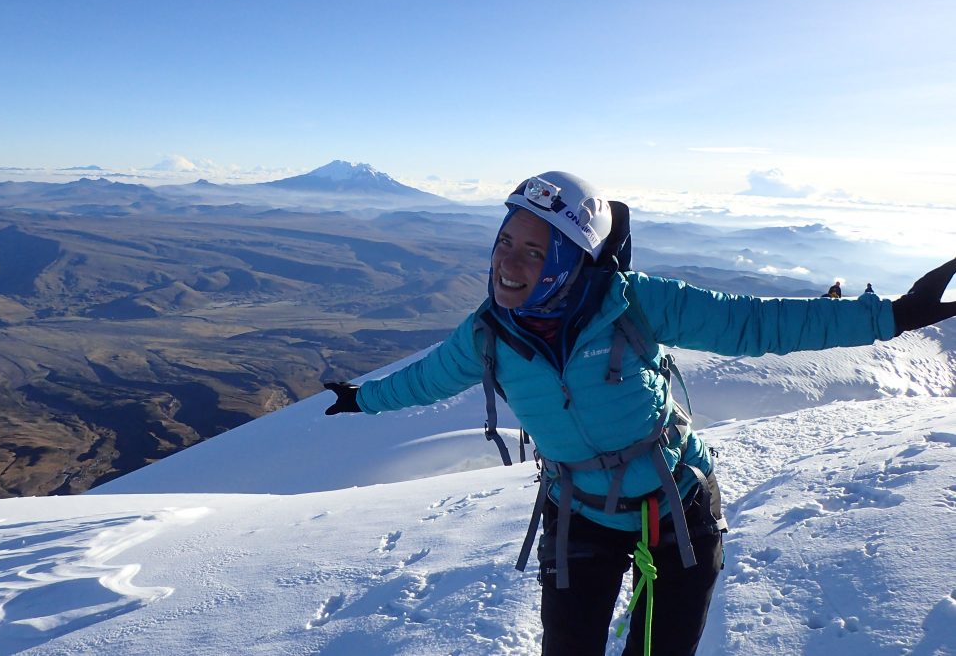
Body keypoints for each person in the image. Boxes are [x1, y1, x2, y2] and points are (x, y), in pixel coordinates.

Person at [323, 171, 956, 656]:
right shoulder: (487, 335)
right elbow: (423, 380)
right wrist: (359, 398)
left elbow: (754, 322)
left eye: (536, 252)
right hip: (580, 517)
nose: (508, 263)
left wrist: (890, 316)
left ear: (574, 262)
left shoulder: (633, 303)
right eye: (505, 242)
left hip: (675, 509)